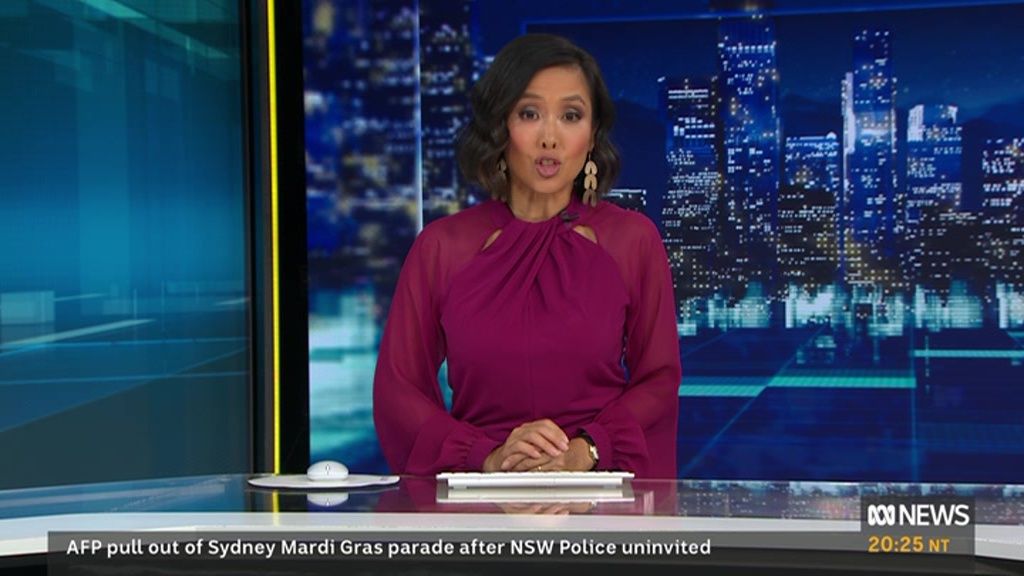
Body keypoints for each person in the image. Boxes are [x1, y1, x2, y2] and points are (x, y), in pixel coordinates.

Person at [372, 34, 680, 478]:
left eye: (571, 116)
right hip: (479, 490)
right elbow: (399, 390)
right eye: (529, 114)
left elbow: (659, 381)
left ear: (592, 134)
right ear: (500, 127)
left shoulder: (632, 240)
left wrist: (586, 450)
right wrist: (487, 457)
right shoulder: (442, 247)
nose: (549, 138)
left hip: (596, 488)